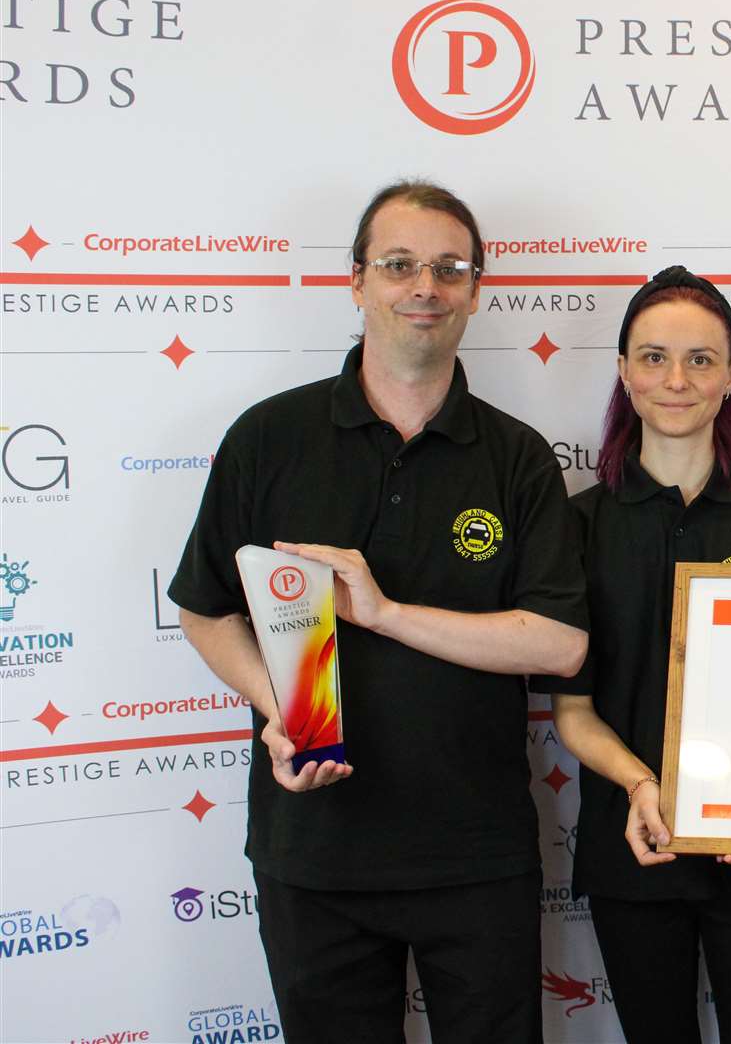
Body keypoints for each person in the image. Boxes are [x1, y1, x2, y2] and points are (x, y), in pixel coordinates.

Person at [169, 180, 588, 1044]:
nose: (423, 286)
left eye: (448, 267)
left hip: (476, 858)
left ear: (478, 289)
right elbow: (208, 612)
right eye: (398, 265)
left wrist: (385, 610)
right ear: (355, 282)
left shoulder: (516, 456)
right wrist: (282, 708)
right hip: (313, 854)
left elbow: (559, 641)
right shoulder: (268, 438)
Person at [548, 266, 731, 1044]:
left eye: (701, 360)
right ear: (624, 372)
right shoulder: (577, 523)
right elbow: (573, 709)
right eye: (654, 356)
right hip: (634, 848)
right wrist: (640, 784)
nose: (677, 379)